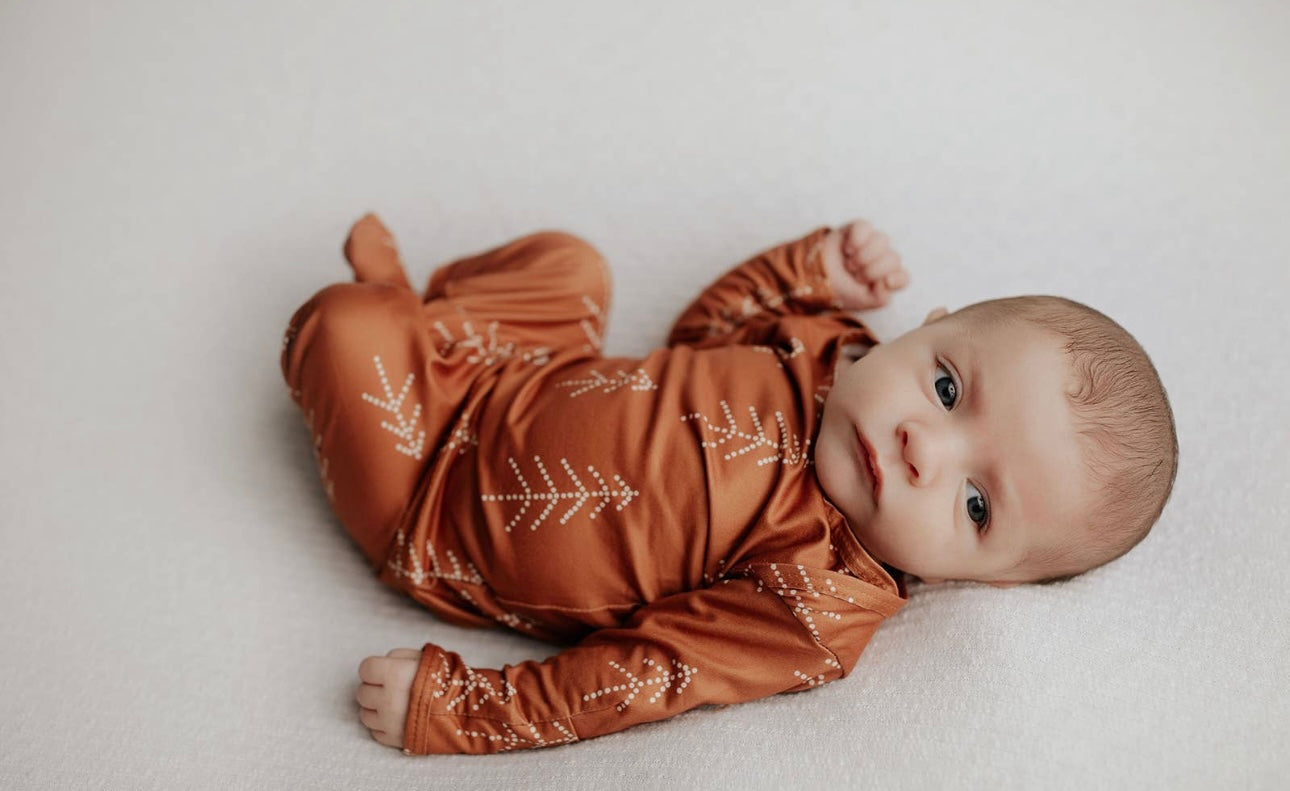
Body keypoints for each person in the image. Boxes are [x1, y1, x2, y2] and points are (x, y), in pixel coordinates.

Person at [279, 213, 1177, 754]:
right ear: (928, 325)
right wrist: (810, 269)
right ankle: (429, 326)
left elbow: (637, 675)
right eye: (946, 388)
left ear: (985, 579)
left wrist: (464, 710)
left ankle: (399, 323)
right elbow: (698, 336)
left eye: (975, 504)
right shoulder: (832, 349)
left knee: (339, 324)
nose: (922, 448)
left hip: (433, 505)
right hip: (517, 375)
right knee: (572, 264)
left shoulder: (816, 602)